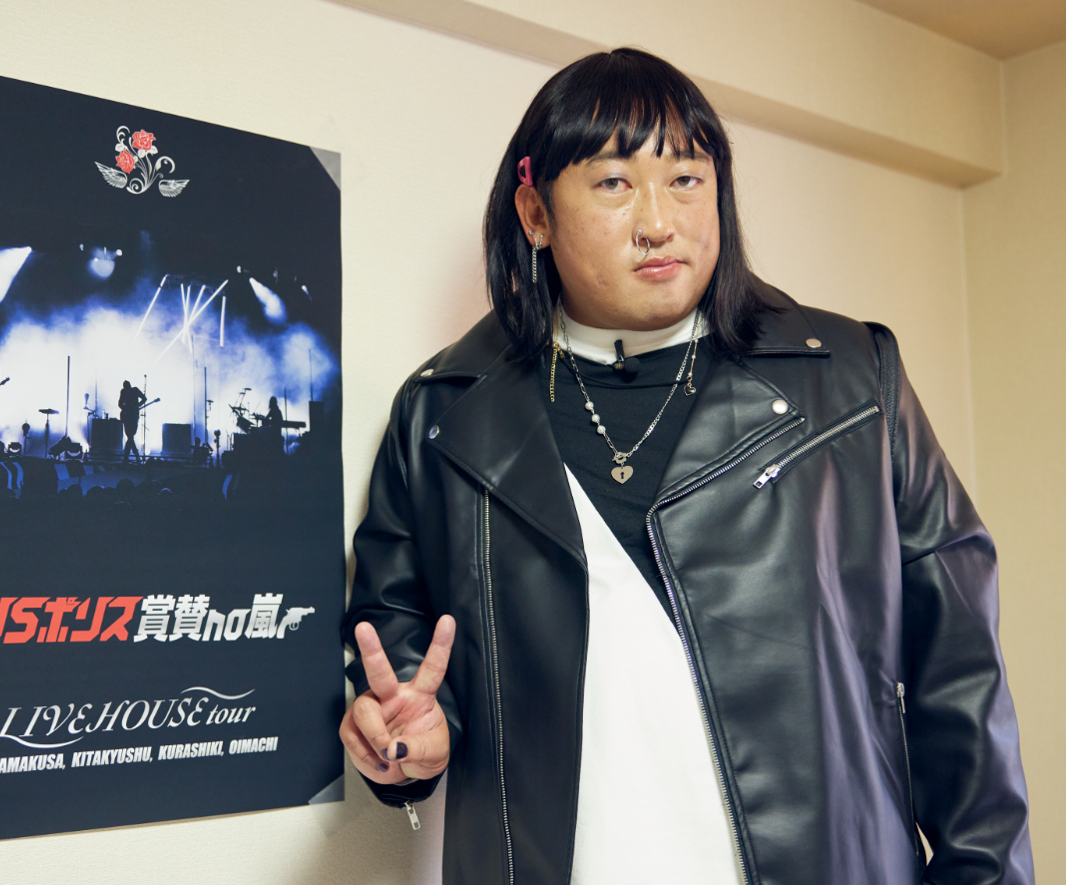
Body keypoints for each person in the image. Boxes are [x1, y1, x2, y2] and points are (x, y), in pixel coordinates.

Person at [340, 49, 1032, 884]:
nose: (657, 221)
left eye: (685, 180)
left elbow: (959, 670)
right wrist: (407, 742)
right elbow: (399, 654)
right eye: (612, 183)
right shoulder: (443, 413)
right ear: (534, 212)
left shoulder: (849, 379)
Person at [119, 380, 146, 462]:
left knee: (130, 436)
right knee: (130, 436)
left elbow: (144, 399)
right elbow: (120, 403)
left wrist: (136, 406)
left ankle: (128, 456)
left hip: (130, 416)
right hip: (130, 416)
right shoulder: (128, 391)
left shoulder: (132, 390)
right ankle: (134, 455)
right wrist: (134, 407)